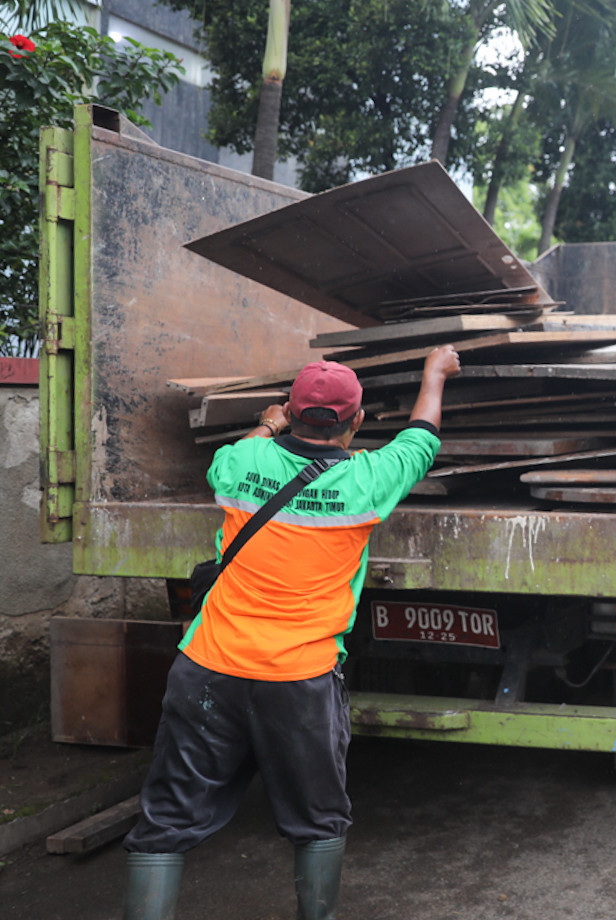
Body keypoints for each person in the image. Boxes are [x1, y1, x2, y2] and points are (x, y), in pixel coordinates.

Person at [122, 347, 462, 920]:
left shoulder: (235, 463)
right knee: (318, 820)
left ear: (292, 414)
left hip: (208, 668)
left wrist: (267, 421)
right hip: (299, 682)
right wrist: (434, 373)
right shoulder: (369, 479)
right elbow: (422, 436)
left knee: (166, 820)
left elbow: (251, 447)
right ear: (356, 423)